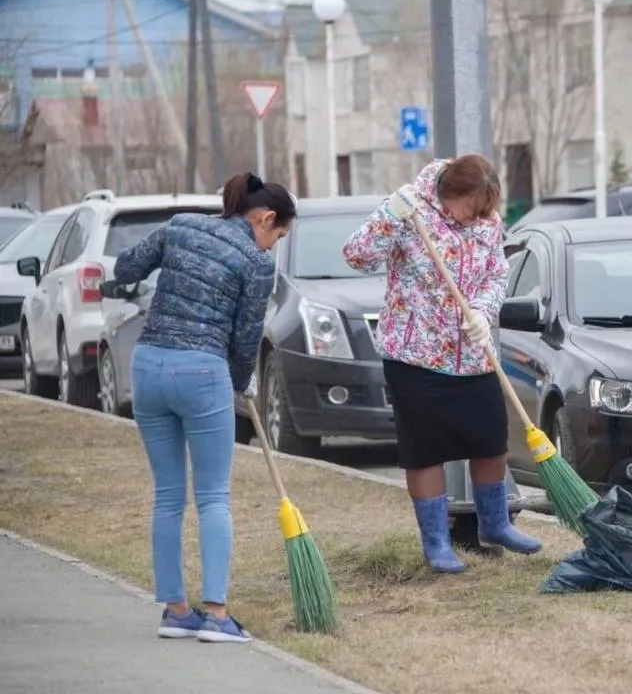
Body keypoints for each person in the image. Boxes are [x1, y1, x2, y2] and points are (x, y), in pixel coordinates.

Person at [102, 172, 296, 642]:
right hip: (200, 369)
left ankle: (175, 610)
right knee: (212, 497)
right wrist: (240, 379)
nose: (273, 246)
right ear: (265, 218)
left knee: (168, 496)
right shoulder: (255, 262)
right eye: (278, 235)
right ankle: (216, 614)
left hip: (147, 366)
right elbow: (246, 334)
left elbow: (126, 268)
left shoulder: (180, 225)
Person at [342, 154, 542, 574]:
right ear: (450, 194)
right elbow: (357, 256)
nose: (475, 221)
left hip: (472, 352)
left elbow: (496, 273)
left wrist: (484, 313)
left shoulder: (487, 222)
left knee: (490, 439)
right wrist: (388, 217)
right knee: (425, 451)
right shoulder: (410, 210)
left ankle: (495, 523)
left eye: (483, 213)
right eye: (469, 211)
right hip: (416, 354)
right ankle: (436, 542)